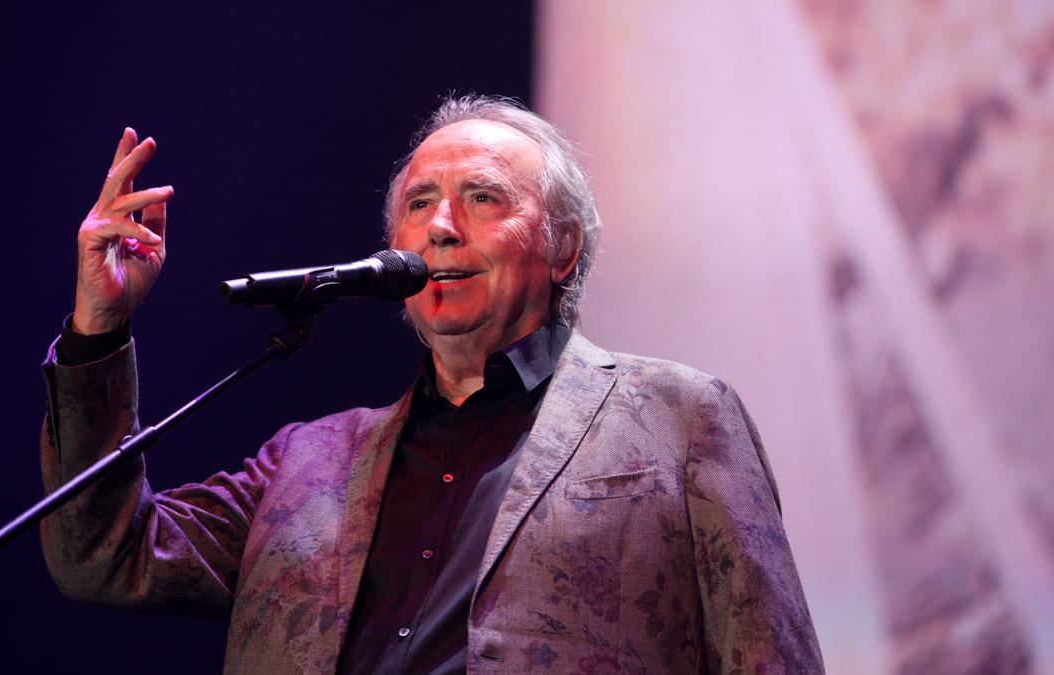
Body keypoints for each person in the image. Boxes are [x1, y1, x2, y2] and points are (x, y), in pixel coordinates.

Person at [40, 96, 824, 674]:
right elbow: (104, 554)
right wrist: (98, 327)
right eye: (420, 204)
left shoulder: (679, 417)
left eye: (482, 198)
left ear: (562, 248)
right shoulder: (307, 460)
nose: (442, 226)